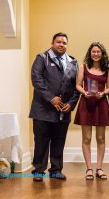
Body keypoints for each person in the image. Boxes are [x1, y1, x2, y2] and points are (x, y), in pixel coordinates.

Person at [29, 32, 79, 182]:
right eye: (58, 42)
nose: (61, 44)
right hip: (42, 110)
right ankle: (38, 171)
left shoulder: (73, 62)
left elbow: (77, 86)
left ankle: (56, 170)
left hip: (63, 111)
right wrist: (51, 98)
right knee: (41, 142)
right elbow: (36, 79)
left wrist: (71, 104)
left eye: (64, 42)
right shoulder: (42, 58)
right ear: (52, 43)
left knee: (59, 142)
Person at [74, 42, 109, 180]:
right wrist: (84, 92)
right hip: (86, 103)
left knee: (101, 138)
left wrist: (103, 93)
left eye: (98, 52)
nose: (96, 54)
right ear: (90, 53)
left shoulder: (107, 68)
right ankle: (89, 169)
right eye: (93, 52)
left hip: (101, 104)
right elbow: (78, 85)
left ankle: (99, 168)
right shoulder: (83, 67)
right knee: (87, 138)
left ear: (102, 54)